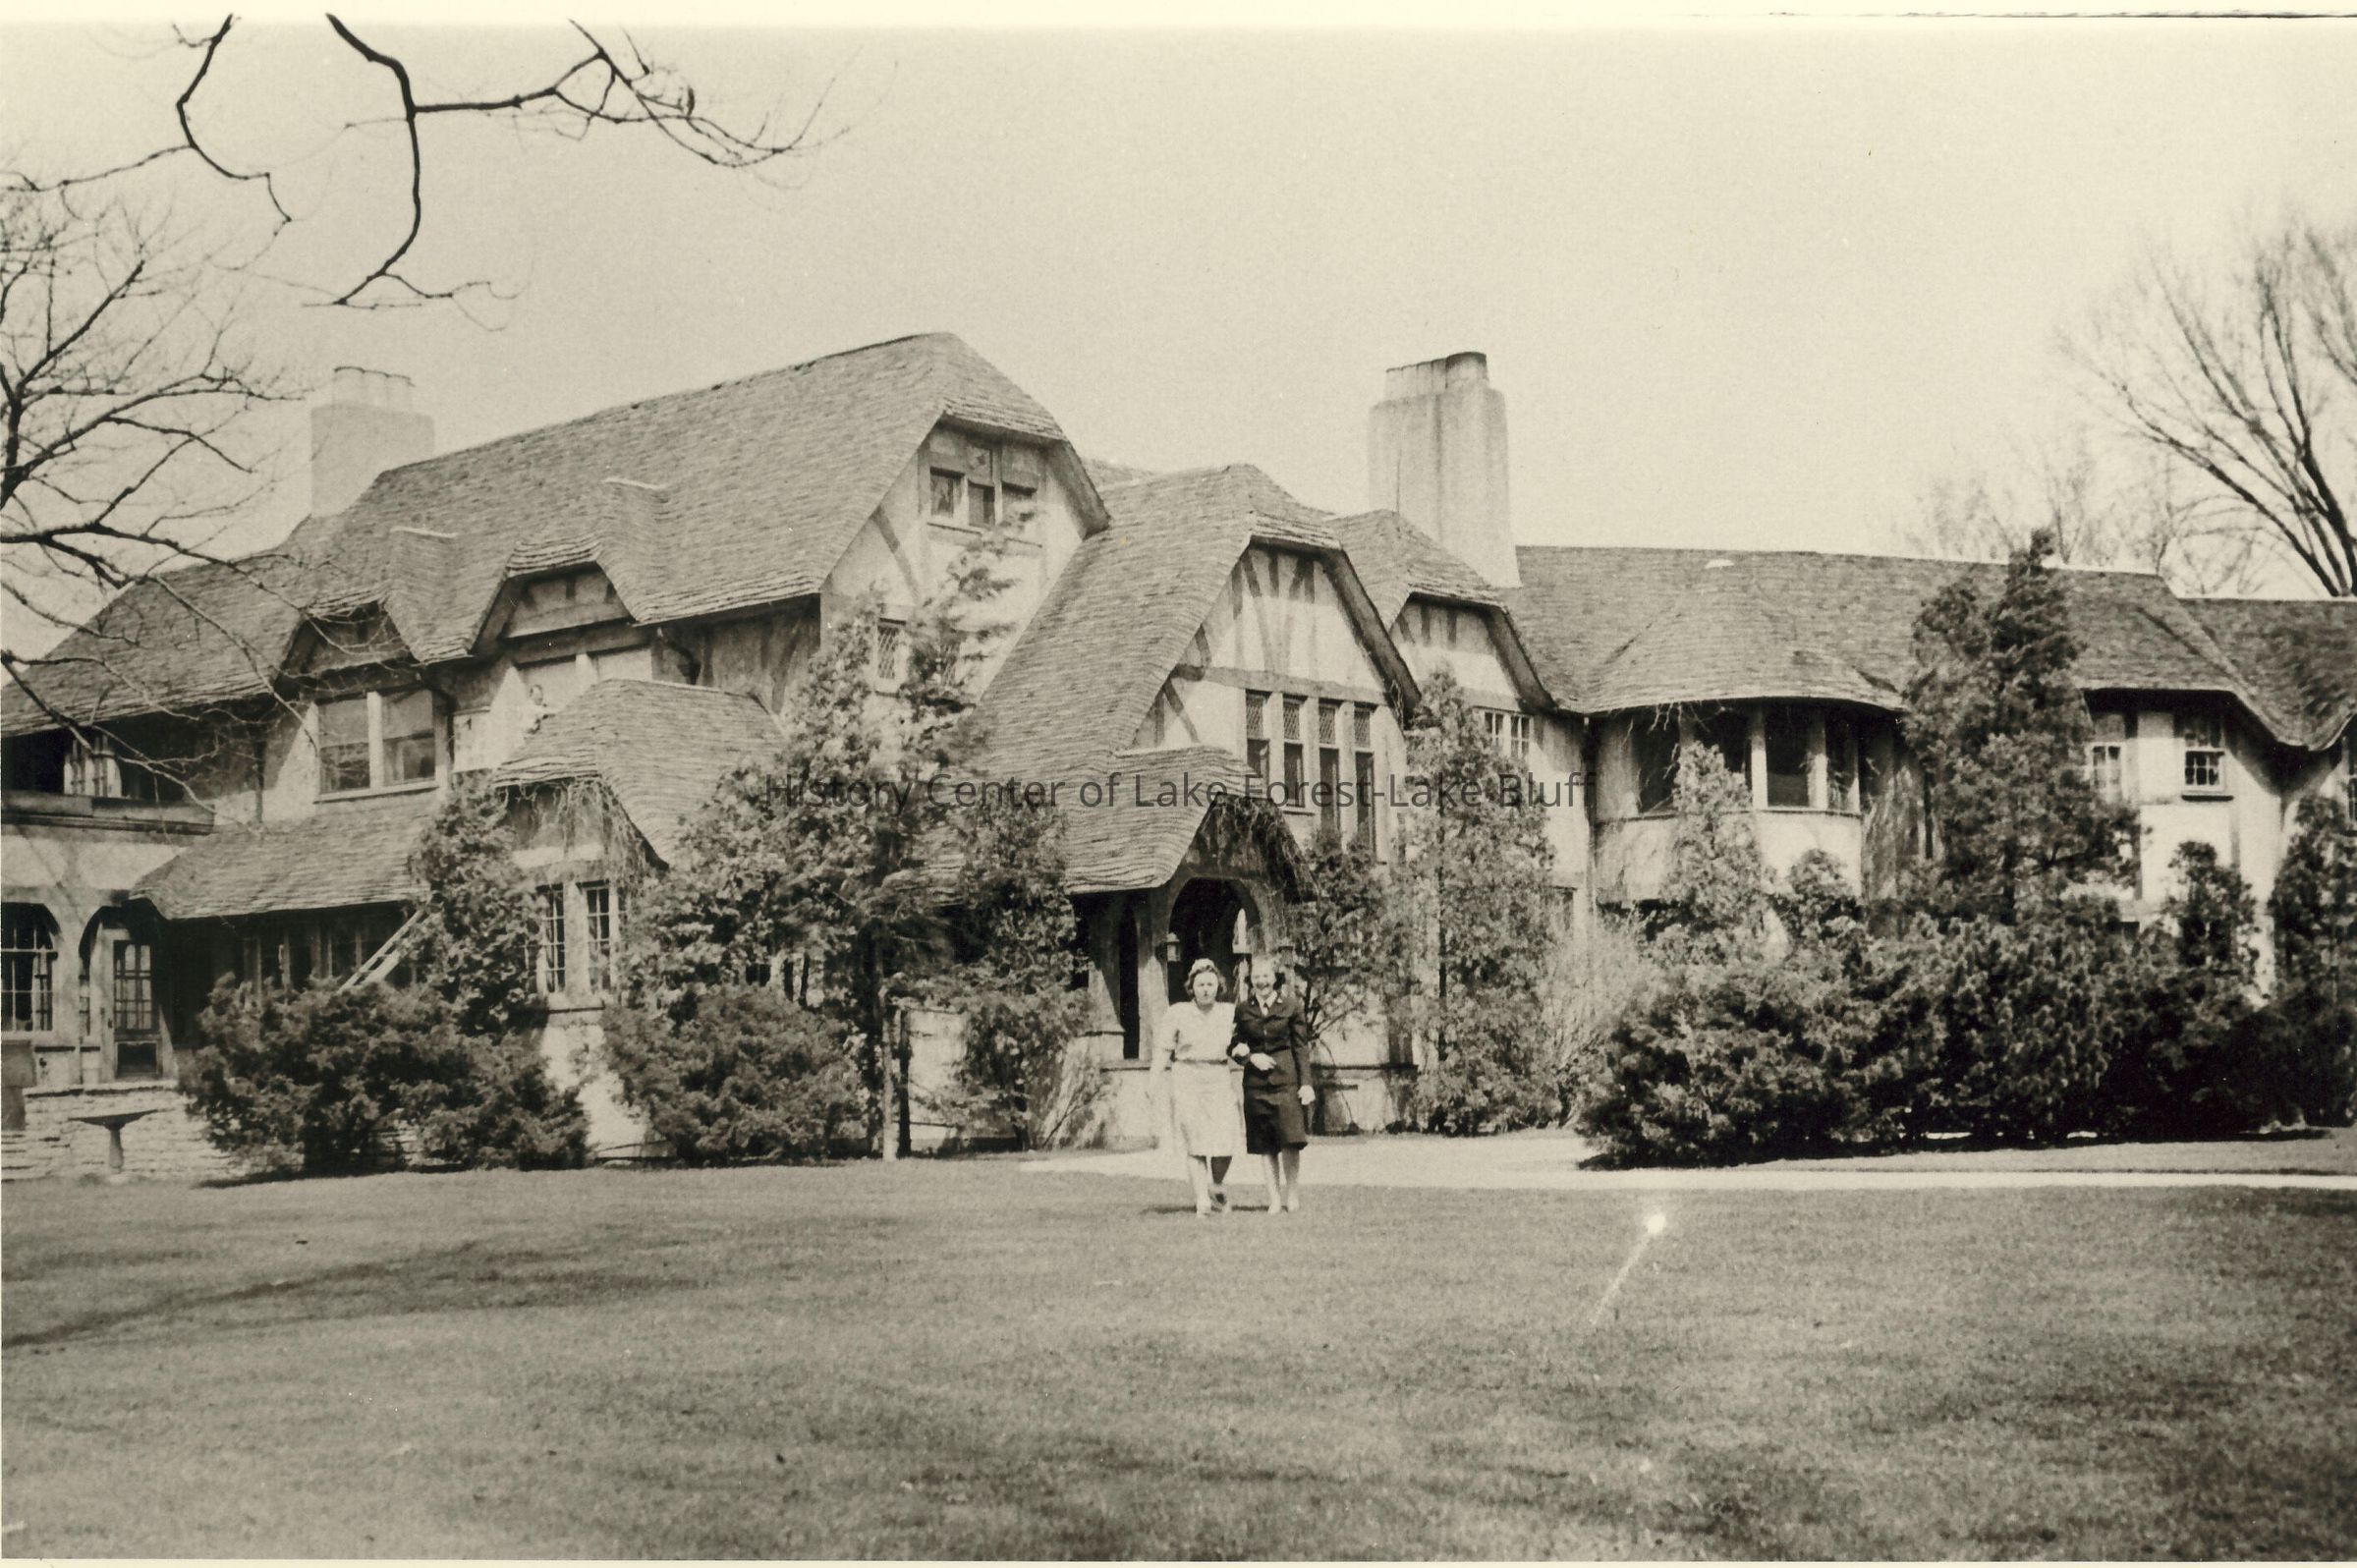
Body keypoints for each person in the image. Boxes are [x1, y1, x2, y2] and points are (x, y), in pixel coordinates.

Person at [1157, 956, 1241, 1216]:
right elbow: (1164, 1048)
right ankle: (1202, 1199)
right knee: (1195, 1141)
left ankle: (1215, 1185)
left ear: (1219, 987)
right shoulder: (1177, 1012)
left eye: (1210, 984)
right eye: (1201, 984)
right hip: (1187, 1076)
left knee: (1226, 1140)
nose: (1206, 989)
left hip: (1218, 1075)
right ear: (1192, 987)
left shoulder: (1229, 1012)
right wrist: (1153, 1079)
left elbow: (1242, 1043)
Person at [1230, 957, 1314, 1214]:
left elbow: (1300, 1047)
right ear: (1251, 980)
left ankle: (1292, 1195)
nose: (1261, 981)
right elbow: (1233, 1045)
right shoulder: (1243, 1009)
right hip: (1256, 1085)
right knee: (1265, 1144)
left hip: (1286, 1082)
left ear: (1275, 978)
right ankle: (1274, 1199)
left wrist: (1306, 1084)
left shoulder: (1291, 1006)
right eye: (1256, 977)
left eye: (1266, 976)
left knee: (1290, 1140)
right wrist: (1249, 1057)